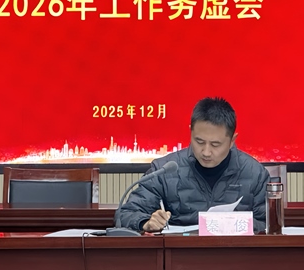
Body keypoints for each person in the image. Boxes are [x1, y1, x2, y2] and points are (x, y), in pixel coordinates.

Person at [114, 97, 270, 233]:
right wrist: (146, 222)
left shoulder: (254, 173)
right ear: (191, 132)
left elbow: (268, 224)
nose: (206, 152)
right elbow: (126, 214)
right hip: (179, 254)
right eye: (199, 141)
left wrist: (231, 223)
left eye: (215, 144)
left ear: (232, 140)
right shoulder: (166, 170)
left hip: (236, 254)